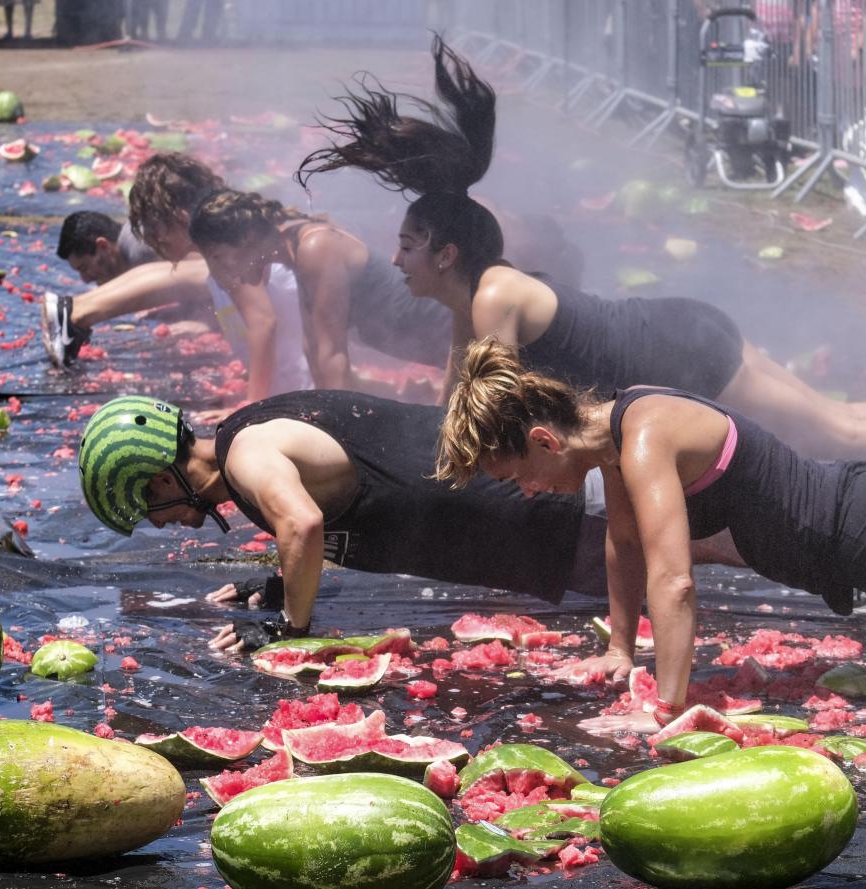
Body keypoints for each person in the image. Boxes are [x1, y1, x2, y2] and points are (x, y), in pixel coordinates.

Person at [297, 35, 866, 460]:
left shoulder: (495, 296)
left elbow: (488, 412)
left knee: (840, 435)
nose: (394, 260)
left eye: (406, 246)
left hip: (681, 352)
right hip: (677, 334)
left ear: (445, 254)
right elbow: (454, 408)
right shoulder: (471, 300)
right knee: (840, 421)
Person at [77, 390, 742, 652]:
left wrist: (290, 631)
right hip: (501, 515)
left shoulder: (246, 453)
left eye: (149, 506)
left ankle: (828, 544)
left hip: (519, 506)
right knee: (709, 529)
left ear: (164, 476)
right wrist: (277, 584)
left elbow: (303, 526)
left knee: (718, 539)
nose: (161, 523)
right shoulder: (242, 442)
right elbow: (333, 519)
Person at [436, 336, 866, 733]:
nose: (528, 493)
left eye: (519, 477)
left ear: (545, 441)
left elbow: (674, 581)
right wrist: (619, 650)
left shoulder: (643, 435)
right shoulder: (614, 434)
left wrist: (668, 712)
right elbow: (625, 542)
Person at [41, 154, 310, 407]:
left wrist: (252, 410)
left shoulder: (225, 248)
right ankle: (77, 310)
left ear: (178, 217)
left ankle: (78, 310)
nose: (151, 240)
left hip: (304, 390)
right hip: (291, 387)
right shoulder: (218, 255)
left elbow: (263, 322)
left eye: (152, 228)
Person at [188, 187, 452, 392]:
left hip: (456, 338)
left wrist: (338, 433)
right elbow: (312, 347)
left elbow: (332, 354)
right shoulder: (295, 255)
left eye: (218, 256)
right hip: (441, 350)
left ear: (245, 239)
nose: (219, 272)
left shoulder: (315, 247)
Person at [56, 211, 158, 285]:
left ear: (103, 246)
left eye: (84, 268)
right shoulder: (131, 240)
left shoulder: (141, 252)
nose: (85, 280)